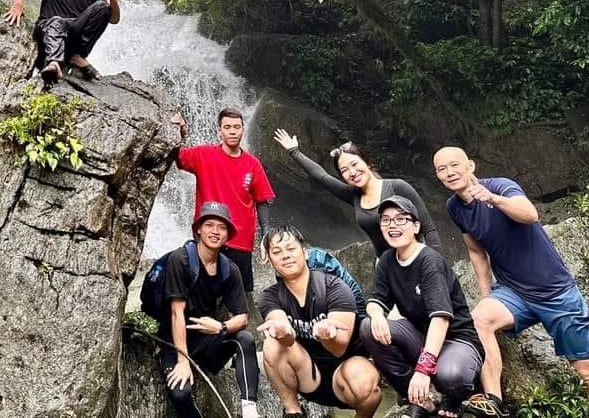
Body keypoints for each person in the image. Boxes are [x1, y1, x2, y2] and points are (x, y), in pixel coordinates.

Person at [433, 146, 589, 416]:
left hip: (555, 292)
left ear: (470, 166)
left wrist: (493, 199)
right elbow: (476, 251)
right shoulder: (454, 207)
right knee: (481, 318)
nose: (449, 172)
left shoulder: (500, 186)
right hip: (514, 293)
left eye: (454, 165)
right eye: (441, 169)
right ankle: (494, 402)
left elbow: (530, 214)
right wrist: (487, 295)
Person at [361, 196, 483, 418]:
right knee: (368, 327)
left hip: (456, 340)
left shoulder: (430, 261)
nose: (392, 225)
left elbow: (441, 318)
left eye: (400, 219)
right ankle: (420, 399)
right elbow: (375, 300)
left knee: (451, 376)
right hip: (420, 336)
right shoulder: (388, 260)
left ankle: (454, 401)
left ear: (416, 226)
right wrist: (377, 314)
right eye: (386, 220)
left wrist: (424, 369)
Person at [257, 225, 382, 418]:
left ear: (305, 253)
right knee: (272, 344)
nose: (285, 255)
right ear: (270, 261)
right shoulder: (269, 296)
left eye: (291, 248)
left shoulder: (334, 287)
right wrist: (283, 331)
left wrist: (326, 334)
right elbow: (284, 333)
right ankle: (293, 412)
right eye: (277, 252)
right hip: (308, 374)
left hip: (344, 371)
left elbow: (338, 348)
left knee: (366, 384)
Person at [158, 202, 261, 418]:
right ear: (198, 229)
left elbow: (242, 317)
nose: (215, 231)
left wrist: (221, 327)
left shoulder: (229, 269)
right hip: (175, 342)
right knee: (180, 394)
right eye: (209, 225)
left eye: (221, 227)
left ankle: (250, 410)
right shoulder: (181, 260)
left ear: (227, 234)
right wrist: (183, 360)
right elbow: (177, 312)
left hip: (208, 341)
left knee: (245, 339)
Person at [273, 129, 442, 257]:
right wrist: (294, 151)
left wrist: (436, 265)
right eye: (344, 170)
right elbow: (321, 176)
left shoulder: (397, 187)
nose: (352, 172)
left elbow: (429, 228)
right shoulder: (353, 195)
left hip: (415, 258)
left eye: (354, 164)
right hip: (386, 266)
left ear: (366, 162)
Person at [173, 108, 275, 293]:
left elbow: (262, 201)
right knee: (201, 292)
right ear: (219, 130)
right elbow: (178, 157)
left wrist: (266, 234)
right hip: (206, 237)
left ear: (243, 129)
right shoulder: (203, 154)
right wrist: (180, 133)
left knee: (241, 295)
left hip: (240, 240)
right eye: (227, 127)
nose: (233, 131)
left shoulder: (253, 164)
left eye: (237, 127)